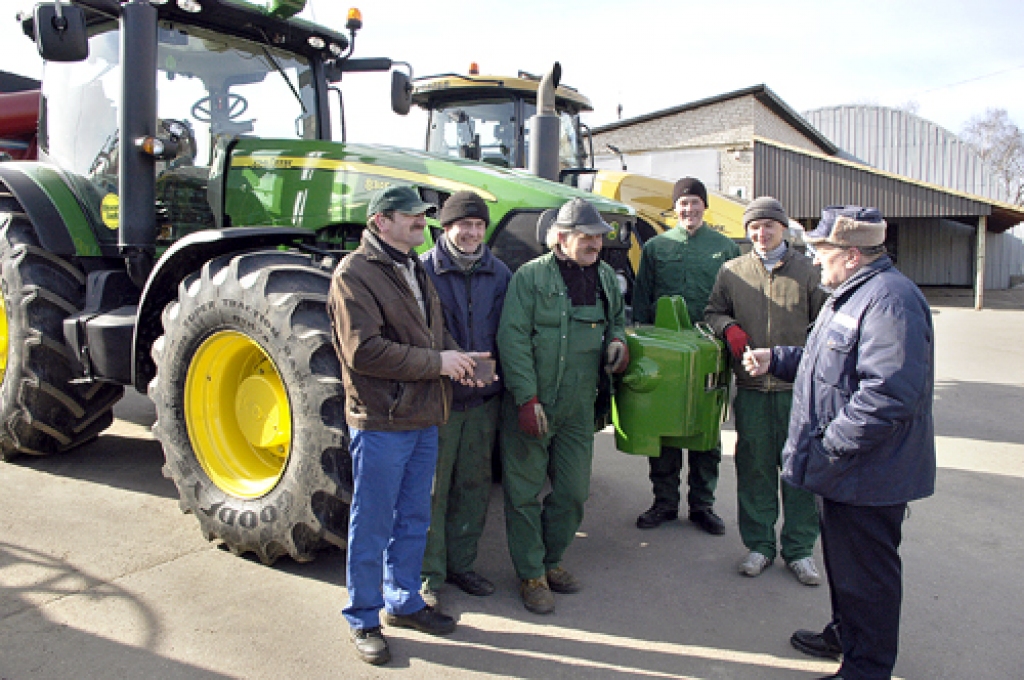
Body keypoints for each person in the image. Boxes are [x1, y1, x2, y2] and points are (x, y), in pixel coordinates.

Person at [744, 206, 935, 680]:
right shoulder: (851, 293)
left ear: (851, 255)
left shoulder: (890, 300)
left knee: (868, 575)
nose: (813, 260)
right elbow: (825, 361)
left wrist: (832, 442)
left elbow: (889, 393)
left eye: (820, 251)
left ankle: (866, 668)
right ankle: (845, 636)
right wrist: (780, 359)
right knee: (846, 566)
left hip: (868, 471)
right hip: (848, 469)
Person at [327, 185, 487, 666]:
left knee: (414, 516)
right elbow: (365, 352)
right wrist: (439, 362)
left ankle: (405, 602)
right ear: (381, 221)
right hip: (382, 419)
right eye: (412, 216)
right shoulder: (355, 273)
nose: (422, 222)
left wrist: (461, 359)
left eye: (423, 216)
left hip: (421, 414)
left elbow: (432, 333)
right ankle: (362, 617)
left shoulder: (412, 265)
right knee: (373, 523)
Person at [497, 197, 629, 614]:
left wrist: (619, 343)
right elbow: (512, 339)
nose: (595, 243)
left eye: (599, 236)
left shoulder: (606, 276)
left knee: (573, 492)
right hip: (536, 403)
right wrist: (526, 398)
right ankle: (531, 573)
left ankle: (551, 561)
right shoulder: (530, 278)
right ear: (561, 238)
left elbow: (618, 323)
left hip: (578, 406)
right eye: (586, 236)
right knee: (523, 492)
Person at [705, 196, 828, 584]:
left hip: (799, 390)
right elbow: (712, 311)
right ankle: (759, 546)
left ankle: (800, 550)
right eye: (754, 227)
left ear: (782, 229)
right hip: (753, 388)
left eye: (768, 226)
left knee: (799, 472)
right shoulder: (733, 271)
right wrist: (728, 328)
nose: (761, 233)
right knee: (755, 468)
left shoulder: (809, 272)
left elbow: (827, 323)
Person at [419, 191, 511, 610]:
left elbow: (507, 331)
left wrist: (498, 373)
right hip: (439, 400)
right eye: (464, 225)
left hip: (484, 400)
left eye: (479, 225)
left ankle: (463, 564)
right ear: (446, 227)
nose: (473, 233)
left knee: (474, 486)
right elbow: (418, 332)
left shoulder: (500, 273)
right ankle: (429, 574)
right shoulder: (422, 272)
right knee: (433, 490)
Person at [632, 177, 740, 534]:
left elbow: (735, 302)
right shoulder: (656, 248)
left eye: (695, 202)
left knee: (706, 430)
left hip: (710, 352)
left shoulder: (724, 248)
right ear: (674, 208)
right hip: (665, 353)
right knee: (662, 427)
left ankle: (702, 505)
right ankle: (664, 501)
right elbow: (642, 299)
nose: (689, 209)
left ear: (704, 207)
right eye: (683, 203)